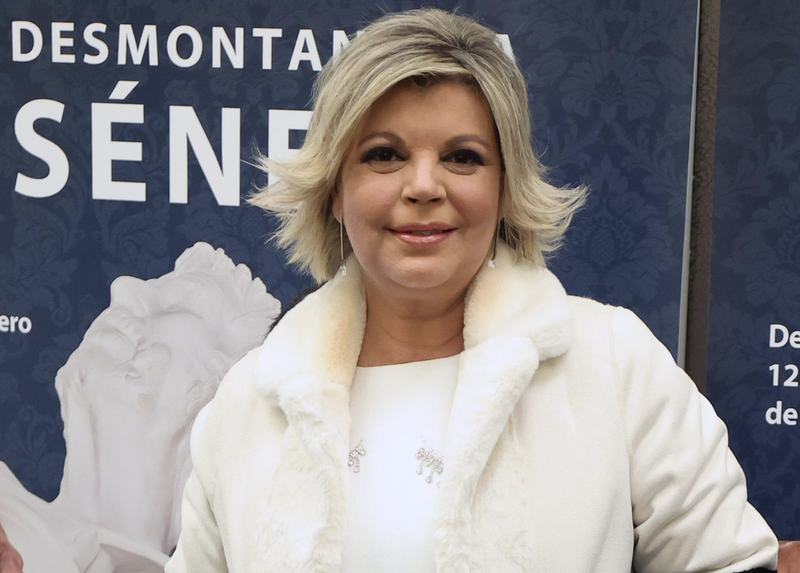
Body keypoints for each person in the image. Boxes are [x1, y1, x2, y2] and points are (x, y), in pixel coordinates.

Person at [165, 8, 779, 573]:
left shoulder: (615, 363)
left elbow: (732, 564)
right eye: (384, 155)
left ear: (505, 188)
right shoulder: (247, 400)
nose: (423, 185)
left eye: (462, 157)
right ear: (334, 190)